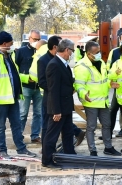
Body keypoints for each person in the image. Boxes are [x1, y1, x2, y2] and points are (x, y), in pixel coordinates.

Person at [0, 31, 36, 159]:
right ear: (4, 43)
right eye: (10, 43)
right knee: (0, 127)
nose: (11, 46)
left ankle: (21, 149)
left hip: (12, 98)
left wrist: (27, 78)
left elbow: (12, 76)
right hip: (0, 100)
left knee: (17, 125)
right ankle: (2, 151)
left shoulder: (8, 55)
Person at [33, 36, 84, 147]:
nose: (72, 53)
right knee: (49, 129)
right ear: (56, 47)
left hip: (63, 101)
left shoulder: (63, 62)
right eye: (71, 50)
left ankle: (68, 152)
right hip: (51, 100)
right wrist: (57, 92)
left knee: (67, 128)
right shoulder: (44, 61)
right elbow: (43, 83)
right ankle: (47, 152)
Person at [73, 41, 121, 157]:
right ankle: (93, 150)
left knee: (107, 125)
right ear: (89, 54)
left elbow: (103, 80)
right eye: (97, 52)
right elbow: (79, 85)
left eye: (99, 51)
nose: (99, 54)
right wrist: (84, 94)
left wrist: (111, 83)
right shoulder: (81, 66)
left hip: (103, 101)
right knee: (91, 127)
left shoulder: (101, 62)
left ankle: (108, 147)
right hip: (91, 102)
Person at [42, 39, 77, 168]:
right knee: (52, 135)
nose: (72, 54)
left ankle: (70, 156)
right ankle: (47, 160)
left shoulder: (64, 64)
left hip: (66, 106)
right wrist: (56, 111)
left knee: (68, 133)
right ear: (67, 50)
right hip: (58, 109)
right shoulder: (54, 65)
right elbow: (53, 90)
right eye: (72, 51)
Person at [14, 30, 43, 143]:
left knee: (38, 113)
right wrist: (27, 78)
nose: (36, 41)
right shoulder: (21, 52)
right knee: (23, 113)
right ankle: (18, 136)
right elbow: (14, 72)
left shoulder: (42, 51)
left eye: (38, 39)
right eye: (34, 39)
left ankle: (35, 135)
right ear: (29, 38)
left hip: (39, 87)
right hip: (25, 87)